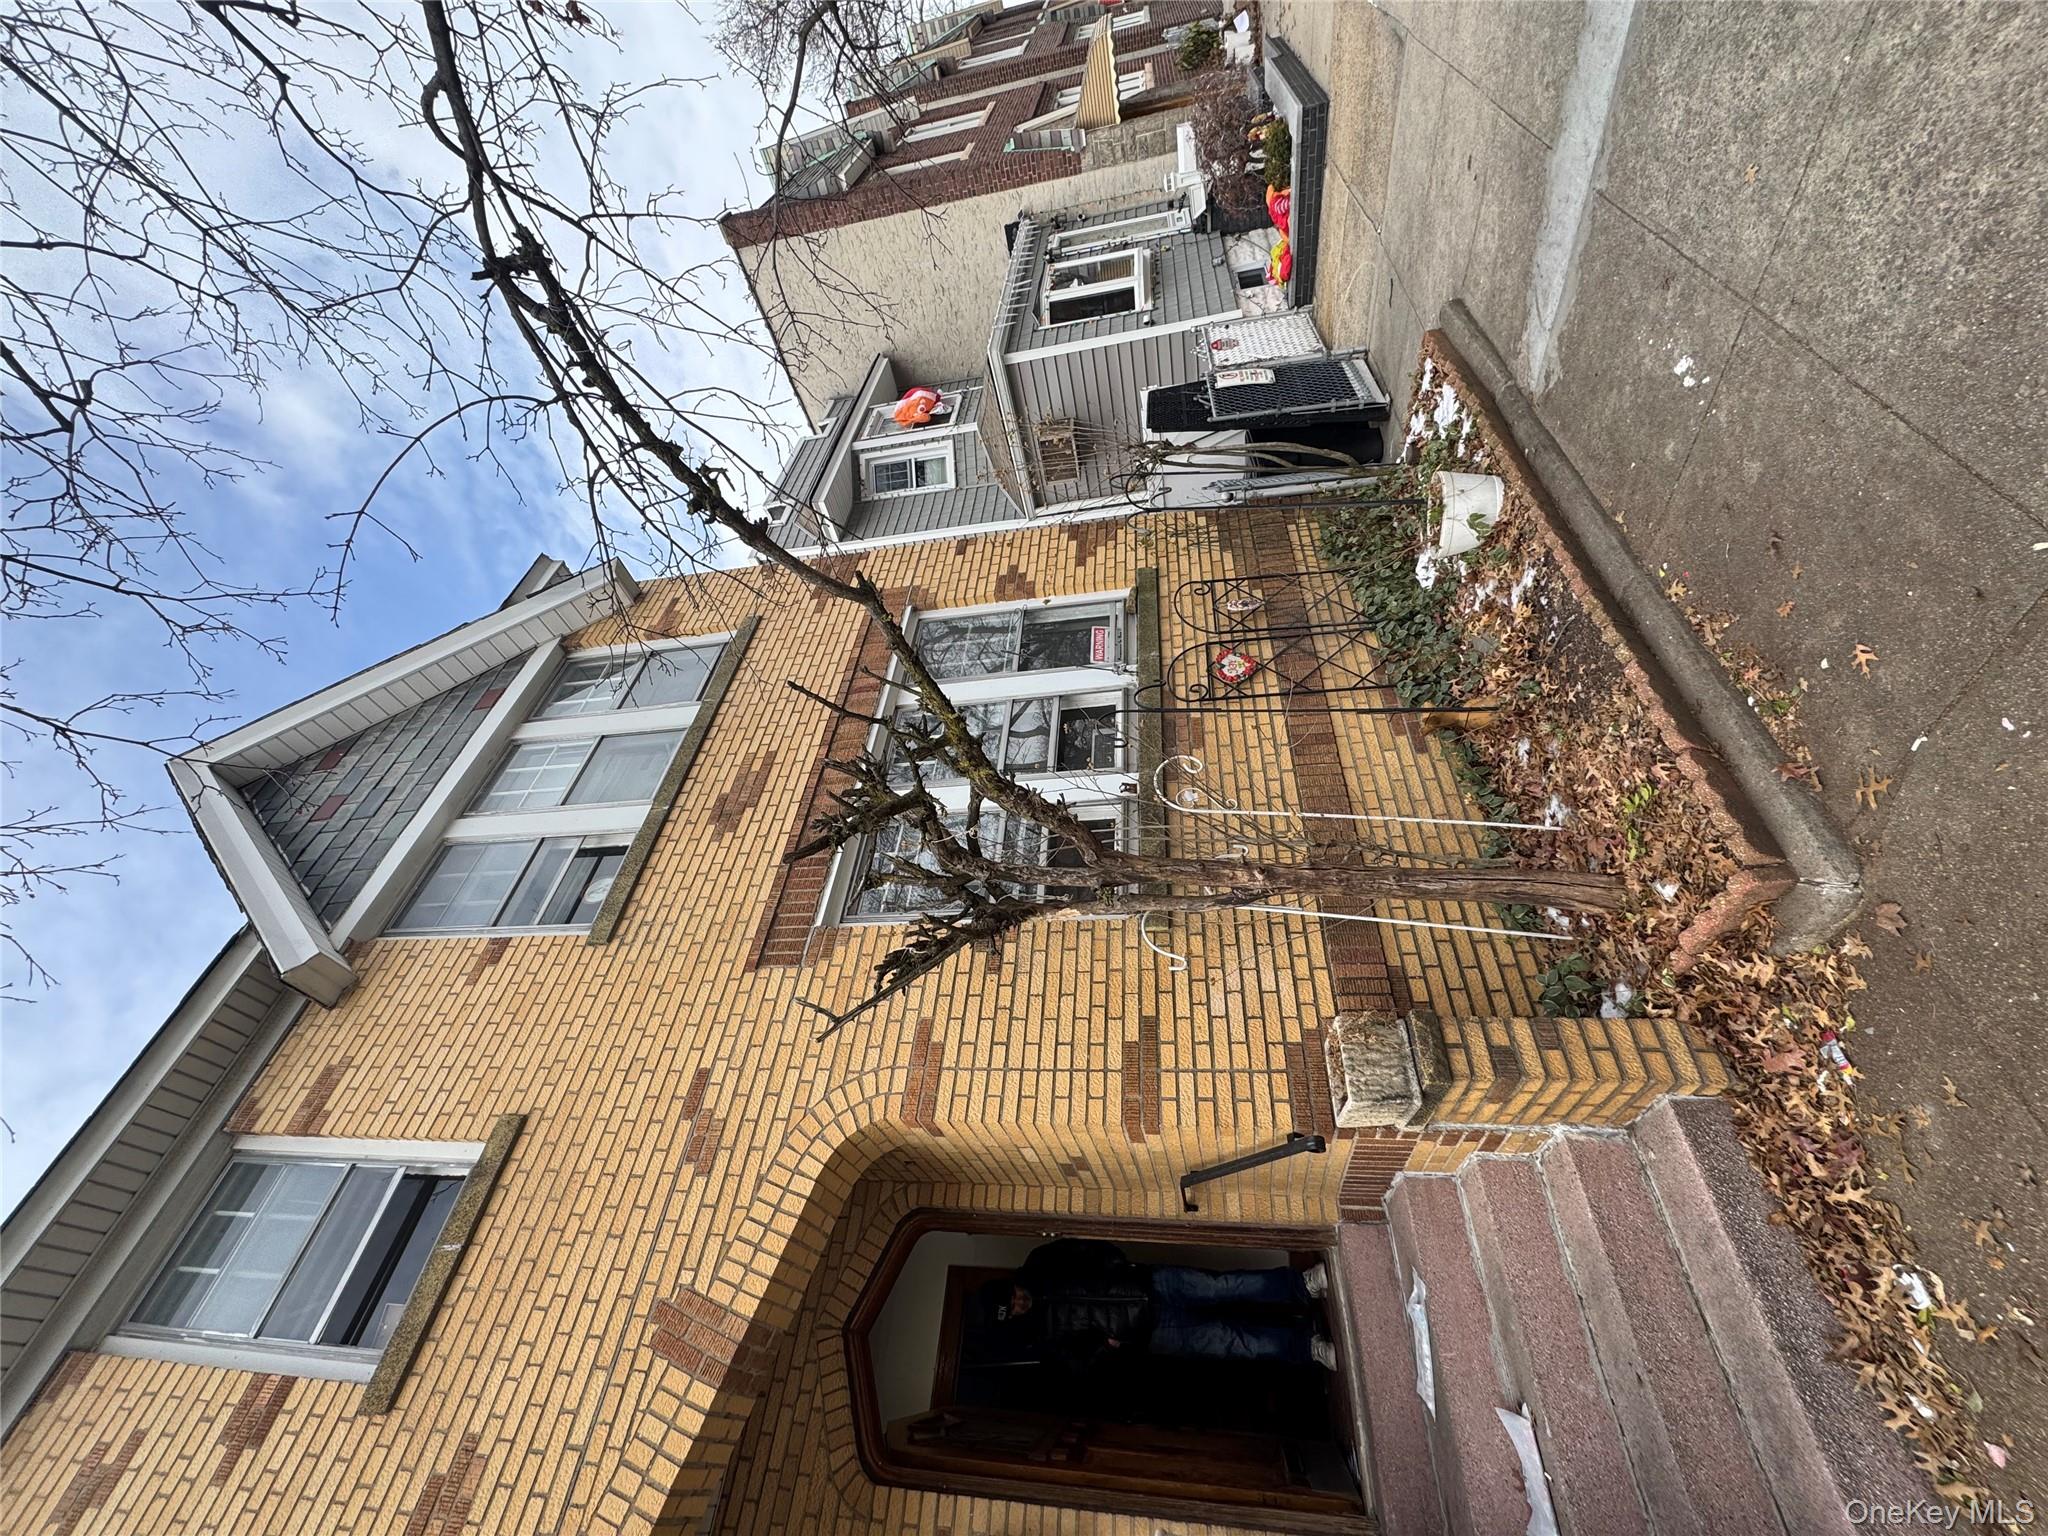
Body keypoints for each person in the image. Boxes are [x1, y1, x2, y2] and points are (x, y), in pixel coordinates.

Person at [983, 1238, 1336, 1375]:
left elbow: (1083, 1248)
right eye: (1012, 1309)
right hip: (1151, 1334)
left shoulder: (1039, 1263)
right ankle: (1308, 1348)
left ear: (1011, 1284)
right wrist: (1106, 1348)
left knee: (1226, 1285)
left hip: (1152, 1283)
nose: (1019, 1303)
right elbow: (1076, 1363)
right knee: (1231, 1342)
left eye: (1012, 1296)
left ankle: (1303, 1285)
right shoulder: (1038, 1337)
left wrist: (1117, 1265)